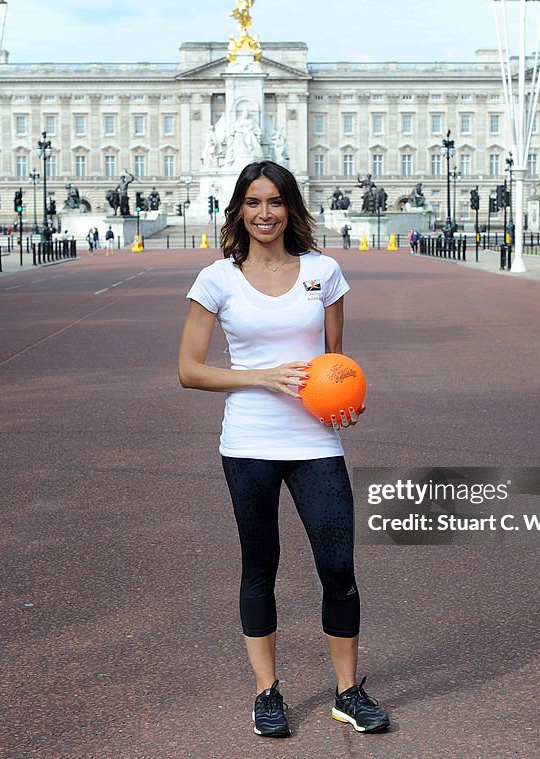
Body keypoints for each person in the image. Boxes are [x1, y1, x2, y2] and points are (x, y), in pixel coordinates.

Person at [178, 160, 390, 738]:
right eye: (252, 203)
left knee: (338, 567)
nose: (264, 214)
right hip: (247, 441)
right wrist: (261, 376)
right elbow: (189, 371)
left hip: (314, 441)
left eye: (274, 202)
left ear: (290, 208)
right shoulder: (217, 279)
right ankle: (266, 693)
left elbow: (336, 362)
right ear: (239, 210)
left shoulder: (325, 272)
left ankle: (347, 693)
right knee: (260, 567)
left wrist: (346, 399)